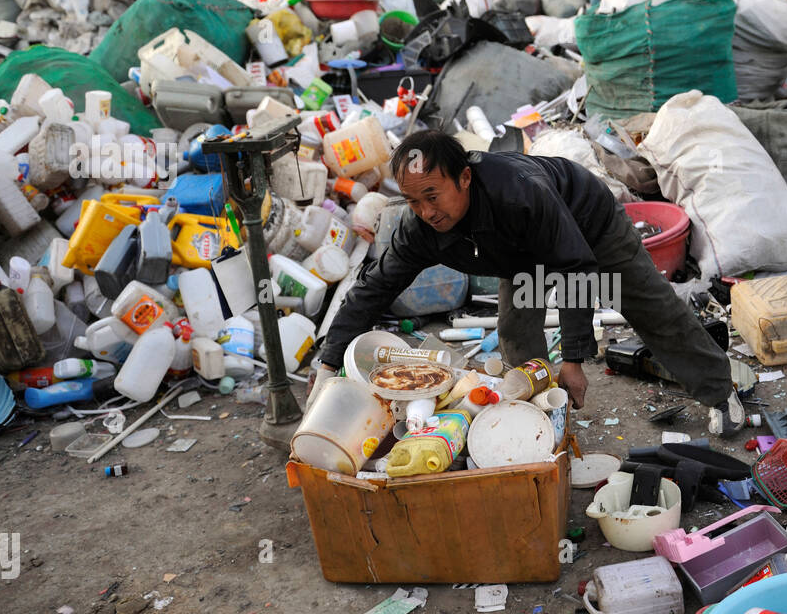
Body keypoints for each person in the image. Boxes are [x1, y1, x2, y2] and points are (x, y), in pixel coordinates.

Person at [312, 131, 746, 435]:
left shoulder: (519, 194)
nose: (426, 211)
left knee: (648, 307)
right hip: (521, 255)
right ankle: (540, 420)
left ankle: (719, 391)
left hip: (587, 223)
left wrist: (574, 360)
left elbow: (575, 268)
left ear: (464, 178)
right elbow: (373, 289)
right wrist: (329, 364)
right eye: (413, 200)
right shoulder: (420, 227)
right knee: (516, 330)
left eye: (433, 195)